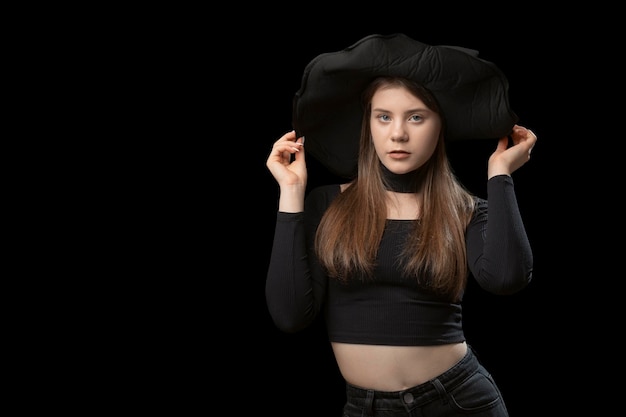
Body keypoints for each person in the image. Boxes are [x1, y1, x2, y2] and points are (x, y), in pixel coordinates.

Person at [265, 33, 537, 417]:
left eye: (416, 116)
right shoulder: (327, 204)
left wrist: (499, 174)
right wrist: (291, 194)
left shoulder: (465, 209)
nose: (398, 134)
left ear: (438, 126)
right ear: (369, 125)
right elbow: (290, 315)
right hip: (365, 408)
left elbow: (507, 278)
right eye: (384, 117)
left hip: (458, 402)